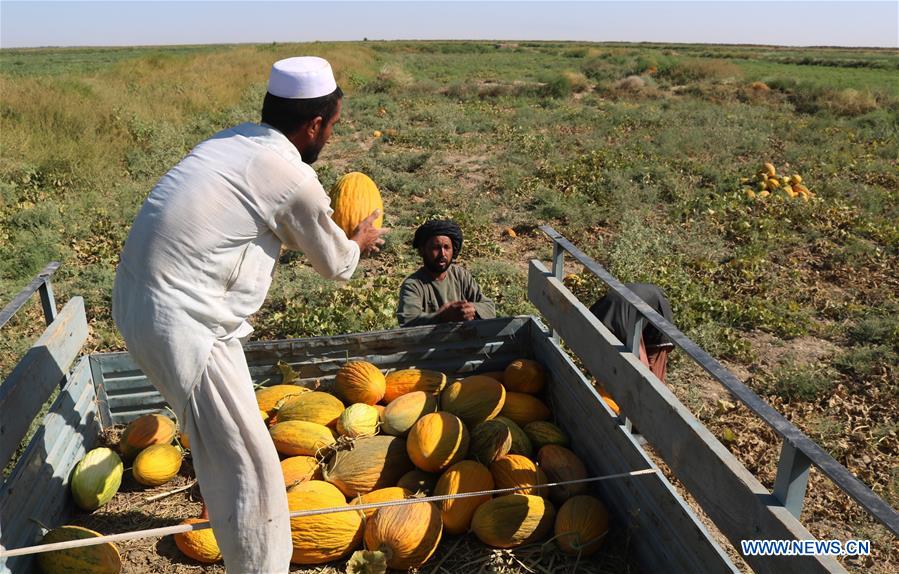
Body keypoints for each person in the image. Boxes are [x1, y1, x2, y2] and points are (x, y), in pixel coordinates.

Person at [112, 56, 386, 573]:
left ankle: (236, 532)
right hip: (186, 326)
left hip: (142, 302)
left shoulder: (230, 142)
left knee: (233, 450)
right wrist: (359, 240)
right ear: (314, 125)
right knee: (250, 468)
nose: (330, 137)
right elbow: (335, 263)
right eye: (332, 125)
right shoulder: (292, 178)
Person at [396, 219, 496, 327]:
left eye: (446, 247)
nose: (442, 254)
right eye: (436, 248)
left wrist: (471, 309)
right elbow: (408, 323)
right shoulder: (413, 285)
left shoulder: (461, 275)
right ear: (422, 250)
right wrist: (442, 316)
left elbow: (489, 308)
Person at [589, 283, 675, 383]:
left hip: (604, 312)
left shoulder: (650, 298)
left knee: (644, 371)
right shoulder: (659, 304)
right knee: (642, 373)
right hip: (625, 319)